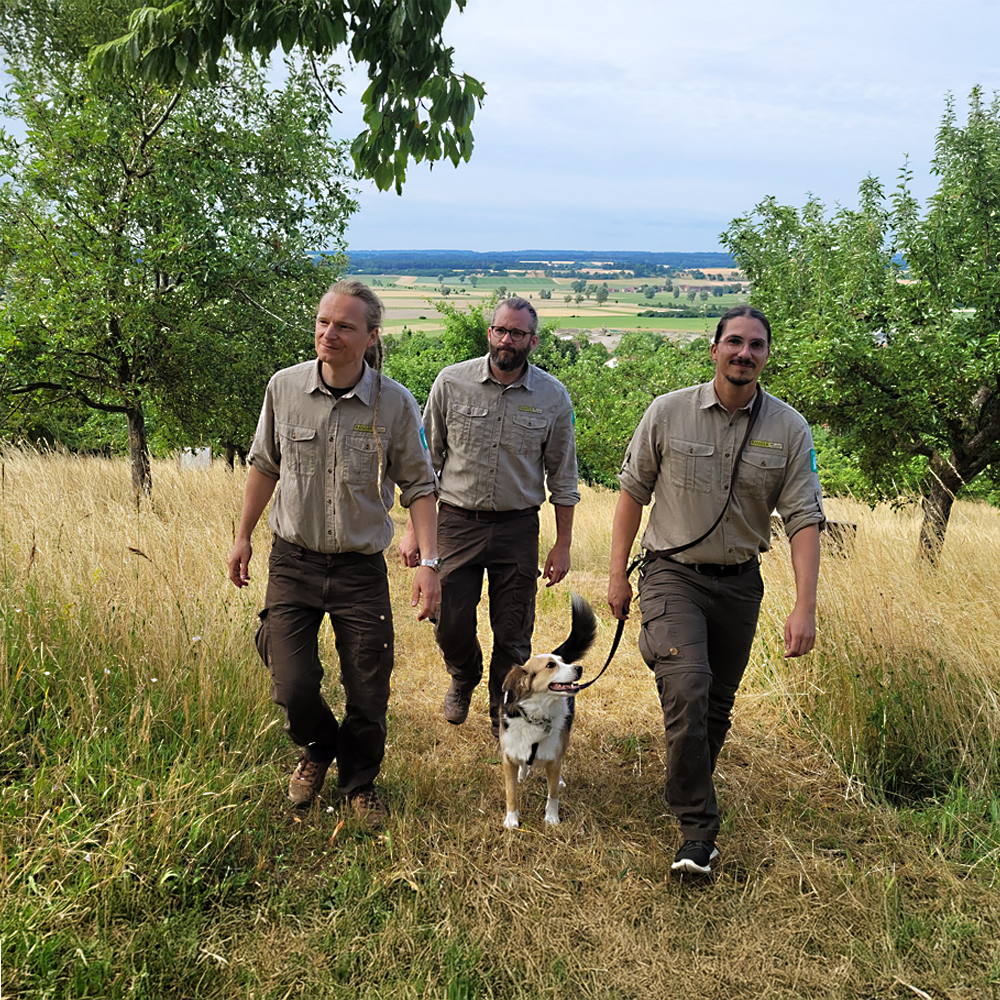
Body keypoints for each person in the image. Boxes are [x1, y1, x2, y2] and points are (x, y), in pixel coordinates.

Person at [607, 306, 824, 876]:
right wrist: (615, 575)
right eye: (734, 342)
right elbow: (632, 492)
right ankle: (697, 833)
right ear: (714, 349)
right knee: (689, 685)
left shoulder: (789, 429)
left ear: (766, 356)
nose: (744, 353)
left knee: (714, 708)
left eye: (756, 345)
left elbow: (804, 518)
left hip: (739, 585)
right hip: (672, 574)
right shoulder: (667, 412)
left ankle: (686, 781)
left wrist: (805, 605)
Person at [227, 279, 441, 824]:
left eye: (345, 326)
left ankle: (359, 782)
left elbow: (420, 487)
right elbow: (264, 465)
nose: (329, 334)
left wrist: (430, 564)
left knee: (368, 687)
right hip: (292, 561)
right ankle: (319, 748)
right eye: (324, 322)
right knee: (292, 684)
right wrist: (243, 535)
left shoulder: (395, 404)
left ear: (371, 337)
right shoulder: (284, 388)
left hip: (359, 569)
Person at [400, 297, 580, 737]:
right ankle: (464, 674)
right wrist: (413, 532)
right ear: (489, 333)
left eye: (517, 333)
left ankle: (503, 711)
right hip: (456, 522)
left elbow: (563, 476)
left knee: (513, 632)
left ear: (532, 341)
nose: (506, 339)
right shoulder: (451, 383)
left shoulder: (552, 397)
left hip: (518, 527)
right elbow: (425, 465)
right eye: (500, 330)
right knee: (449, 622)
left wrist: (562, 544)